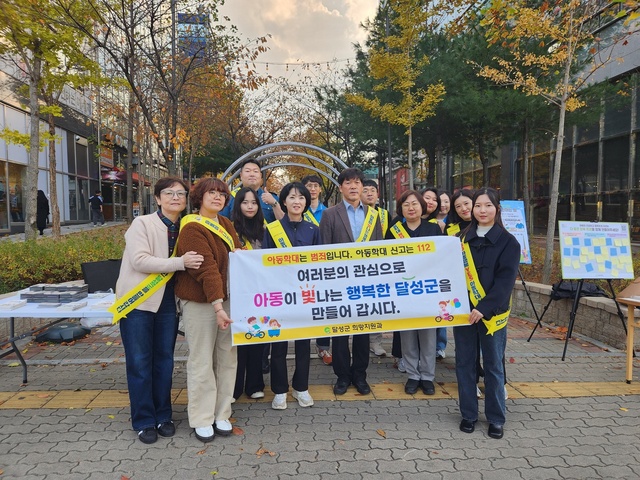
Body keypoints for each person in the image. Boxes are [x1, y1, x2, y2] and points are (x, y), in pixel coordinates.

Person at [115, 176, 204, 444]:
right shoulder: (142, 223)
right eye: (169, 193)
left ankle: (164, 415)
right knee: (140, 361)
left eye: (180, 193)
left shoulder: (187, 226)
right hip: (138, 301)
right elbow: (140, 260)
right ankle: (144, 420)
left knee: (164, 360)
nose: (175, 198)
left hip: (168, 302)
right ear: (157, 198)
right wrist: (180, 261)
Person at [175, 177, 242, 443]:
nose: (217, 197)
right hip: (202, 303)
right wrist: (217, 305)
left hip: (227, 300)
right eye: (211, 193)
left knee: (227, 357)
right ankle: (202, 418)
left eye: (222, 194)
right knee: (201, 360)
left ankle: (221, 412)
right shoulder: (191, 227)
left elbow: (234, 257)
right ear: (199, 197)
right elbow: (206, 269)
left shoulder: (226, 224)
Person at [454, 187, 520, 440]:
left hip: (492, 315)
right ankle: (468, 414)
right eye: (477, 206)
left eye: (487, 205)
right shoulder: (459, 239)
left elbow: (505, 283)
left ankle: (496, 418)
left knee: (493, 366)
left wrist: (482, 308)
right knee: (465, 364)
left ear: (497, 209)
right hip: (463, 314)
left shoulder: (508, 242)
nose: (482, 210)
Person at [319, 168, 383, 395]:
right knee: (340, 332)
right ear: (341, 187)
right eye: (348, 183)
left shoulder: (374, 215)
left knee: (362, 331)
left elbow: (378, 248)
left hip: (365, 282)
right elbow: (323, 249)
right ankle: (342, 376)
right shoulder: (330, 214)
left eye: (357, 183)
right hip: (339, 282)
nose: (354, 186)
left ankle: (360, 375)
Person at [263, 182, 321, 409]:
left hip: (305, 295)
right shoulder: (272, 229)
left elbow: (319, 263)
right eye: (292, 197)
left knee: (304, 344)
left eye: (301, 198)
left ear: (306, 203)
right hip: (280, 295)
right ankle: (279, 390)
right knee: (278, 344)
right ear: (284, 202)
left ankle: (301, 387)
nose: (297, 201)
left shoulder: (313, 230)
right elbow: (264, 263)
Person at [385, 190, 442, 395]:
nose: (411, 208)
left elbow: (441, 258)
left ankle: (427, 376)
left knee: (428, 336)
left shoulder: (433, 229)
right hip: (403, 291)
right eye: (406, 204)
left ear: (422, 207)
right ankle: (412, 374)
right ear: (400, 209)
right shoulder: (394, 230)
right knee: (407, 334)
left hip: (427, 291)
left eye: (415, 204)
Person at [231, 187, 267, 401]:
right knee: (237, 341)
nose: (250, 206)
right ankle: (234, 387)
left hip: (260, 294)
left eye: (254, 202)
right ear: (238, 205)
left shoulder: (266, 230)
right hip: (236, 293)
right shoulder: (229, 229)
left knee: (257, 337)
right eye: (245, 202)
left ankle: (254, 384)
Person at [301, 175, 332, 366]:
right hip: (302, 267)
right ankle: (302, 343)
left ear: (320, 189)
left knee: (323, 307)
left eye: (315, 186)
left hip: (323, 267)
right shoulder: (298, 211)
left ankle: (323, 346)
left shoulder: (328, 213)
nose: (312, 189)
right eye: (309, 186)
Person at [361, 179, 389, 357]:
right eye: (366, 190)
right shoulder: (354, 215)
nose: (370, 193)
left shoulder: (385, 215)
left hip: (378, 267)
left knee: (375, 306)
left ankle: (376, 341)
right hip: (357, 268)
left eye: (373, 190)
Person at [220, 158, 284, 223]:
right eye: (247, 171)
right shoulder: (230, 198)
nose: (252, 174)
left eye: (255, 171)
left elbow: (285, 225)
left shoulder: (273, 199)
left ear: (260, 175)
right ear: (241, 175)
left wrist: (274, 204)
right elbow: (221, 222)